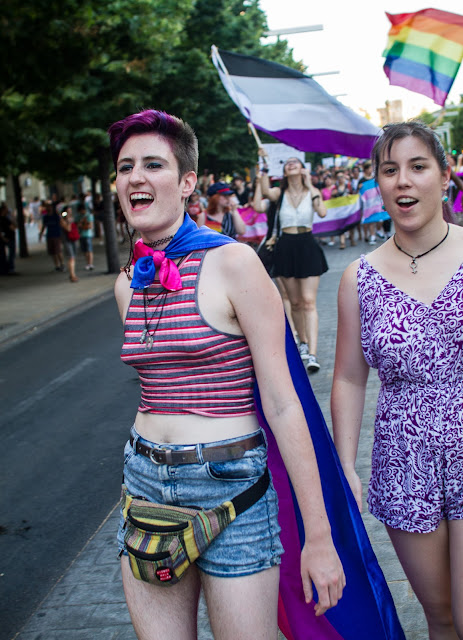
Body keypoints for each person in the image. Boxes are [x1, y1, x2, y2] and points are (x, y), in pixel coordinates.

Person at [108, 108, 345, 639]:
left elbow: (284, 403)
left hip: (231, 490)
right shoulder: (128, 283)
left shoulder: (236, 263)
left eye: (153, 165)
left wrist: (319, 535)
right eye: (125, 168)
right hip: (145, 487)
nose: (135, 178)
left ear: (188, 182)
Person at [331, 121, 463, 639]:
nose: (403, 181)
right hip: (403, 457)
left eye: (417, 166)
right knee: (442, 617)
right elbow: (347, 377)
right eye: (390, 171)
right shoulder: (358, 277)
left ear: (445, 175)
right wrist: (345, 464)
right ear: (377, 185)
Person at [257, 154, 327, 373]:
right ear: (285, 172)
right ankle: (303, 342)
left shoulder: (312, 192)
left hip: (307, 244)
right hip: (285, 246)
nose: (291, 164)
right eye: (288, 164)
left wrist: (311, 185)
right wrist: (264, 168)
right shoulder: (281, 193)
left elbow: (322, 212)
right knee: (295, 302)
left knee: (308, 301)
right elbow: (266, 192)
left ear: (303, 169)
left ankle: (313, 354)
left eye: (296, 162)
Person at [59, 207, 80, 282]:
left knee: (73, 257)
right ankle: (72, 275)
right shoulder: (62, 220)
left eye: (70, 211)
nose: (69, 213)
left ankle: (73, 274)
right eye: (67, 212)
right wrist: (68, 221)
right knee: (71, 257)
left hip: (73, 239)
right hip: (67, 241)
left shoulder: (73, 218)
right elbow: (68, 229)